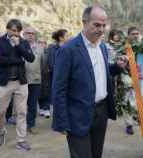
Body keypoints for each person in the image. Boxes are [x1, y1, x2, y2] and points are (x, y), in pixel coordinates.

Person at [52, 6, 127, 158]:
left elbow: (100, 73)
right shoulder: (68, 49)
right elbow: (58, 88)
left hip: (101, 111)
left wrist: (117, 68)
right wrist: (62, 121)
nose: (101, 29)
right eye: (97, 25)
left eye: (104, 25)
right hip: (77, 115)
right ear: (84, 22)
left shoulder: (103, 47)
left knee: (96, 154)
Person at [0, 19, 35, 150]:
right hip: (4, 83)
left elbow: (30, 58)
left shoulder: (23, 42)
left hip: (21, 82)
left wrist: (18, 46)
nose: (15, 33)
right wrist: (19, 60)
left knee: (22, 112)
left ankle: (21, 140)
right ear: (7, 29)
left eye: (18, 31)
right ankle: (1, 131)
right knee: (0, 111)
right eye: (13, 30)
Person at [39, 29, 68, 118]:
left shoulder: (67, 47)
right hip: (53, 75)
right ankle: (46, 108)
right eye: (66, 35)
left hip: (63, 75)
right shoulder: (52, 47)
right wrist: (58, 73)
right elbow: (51, 63)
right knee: (50, 92)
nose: (68, 37)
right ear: (61, 38)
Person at [24, 26, 44, 134]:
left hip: (36, 80)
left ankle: (30, 125)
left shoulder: (40, 48)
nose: (30, 35)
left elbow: (42, 65)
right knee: (21, 105)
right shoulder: (18, 47)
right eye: (28, 33)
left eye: (32, 33)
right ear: (24, 34)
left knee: (32, 104)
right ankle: (22, 124)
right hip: (22, 80)